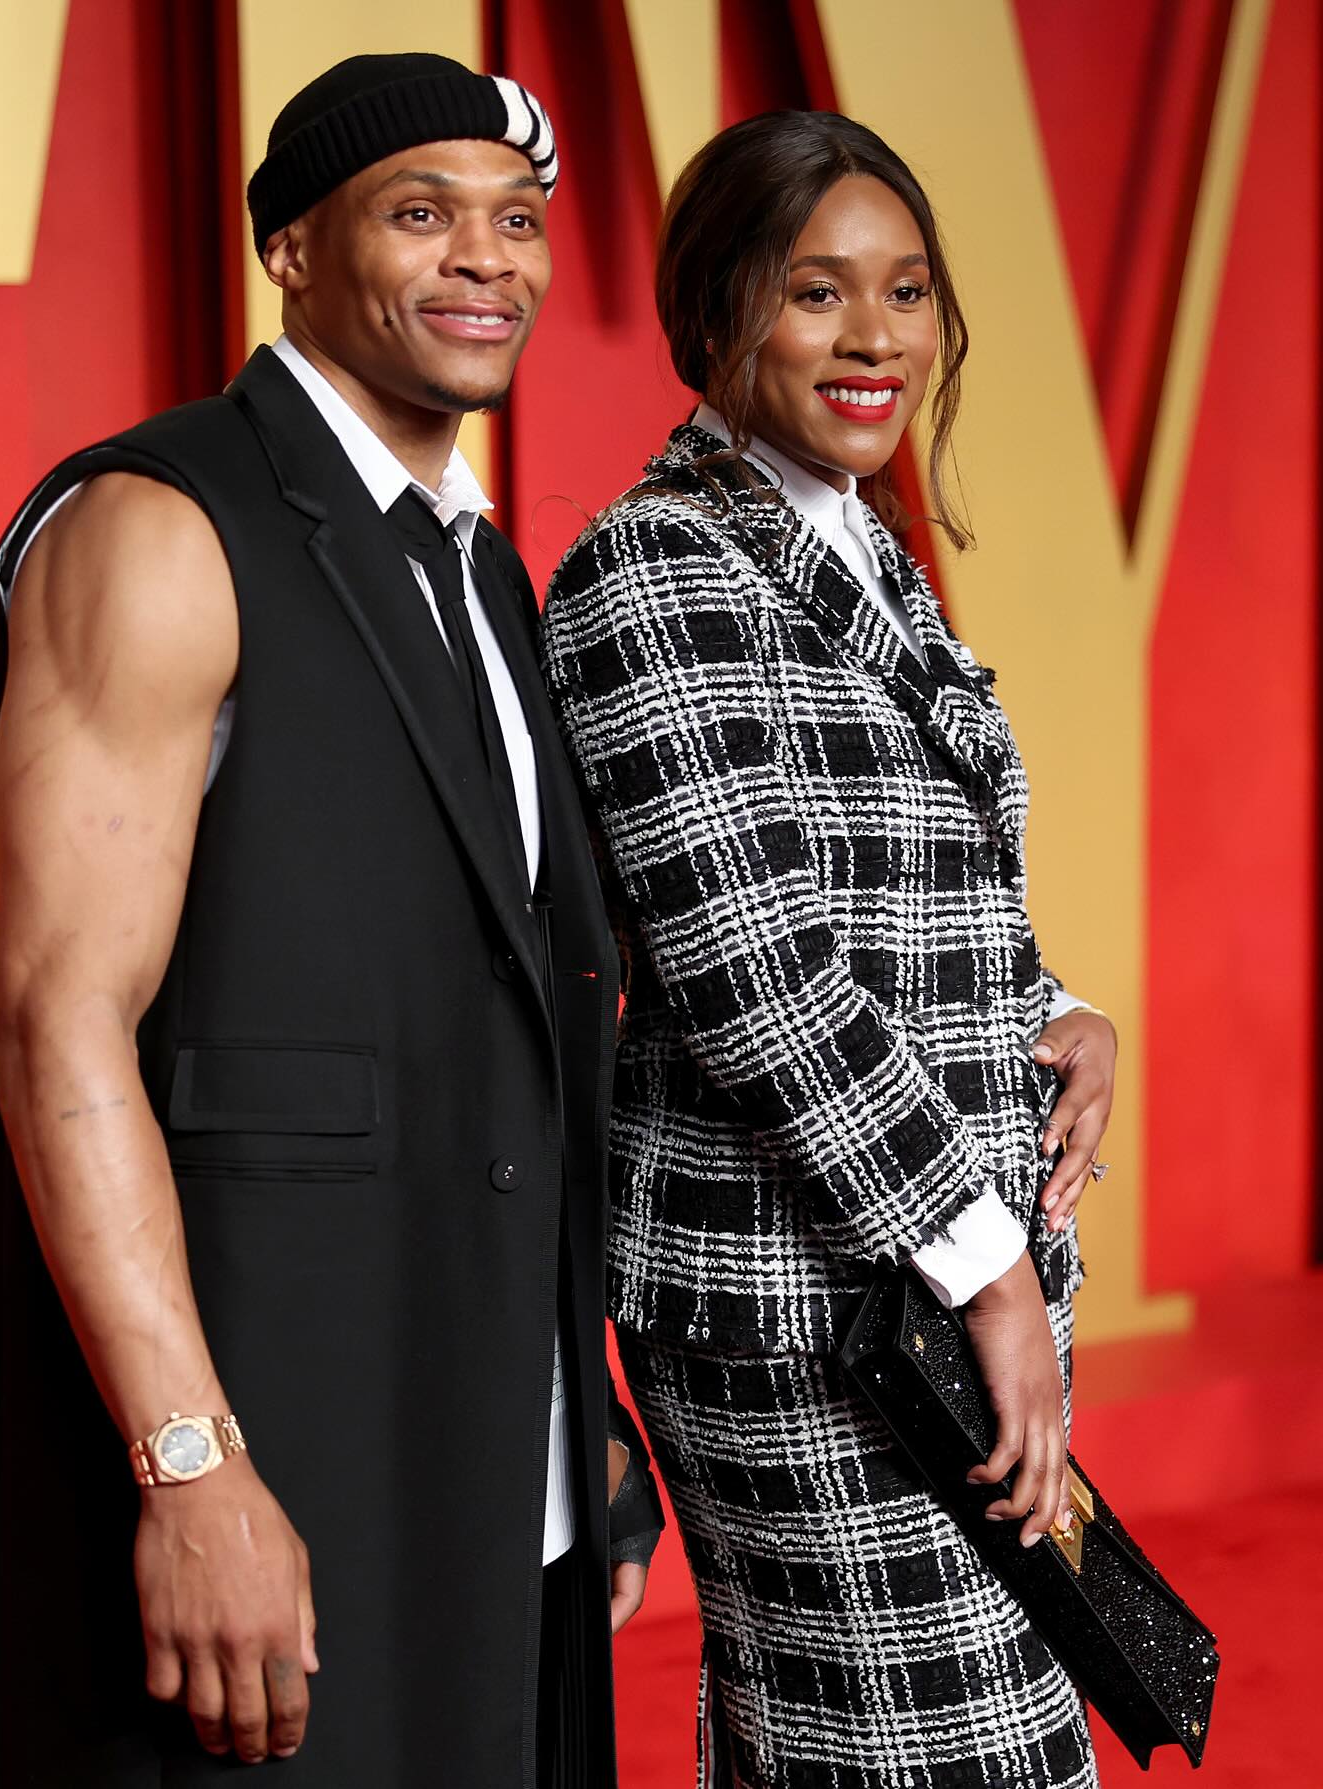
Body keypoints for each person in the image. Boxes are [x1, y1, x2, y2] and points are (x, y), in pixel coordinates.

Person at [0, 52, 661, 1789]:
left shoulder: (482, 568)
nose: (486, 257)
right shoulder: (158, 524)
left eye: (518, 220)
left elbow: (503, 1027)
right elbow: (59, 1021)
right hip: (269, 1469)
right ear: (290, 250)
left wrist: (576, 1413)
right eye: (421, 213)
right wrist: (190, 1468)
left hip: (493, 1475)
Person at [541, 110, 1117, 1788]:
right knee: (929, 1754)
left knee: (862, 1748)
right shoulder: (655, 568)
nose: (876, 338)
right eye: (817, 292)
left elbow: (913, 884)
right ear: (717, 309)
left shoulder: (855, 540)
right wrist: (991, 1272)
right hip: (804, 1304)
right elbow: (756, 976)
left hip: (928, 1276)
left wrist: (1062, 1008)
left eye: (907, 291)